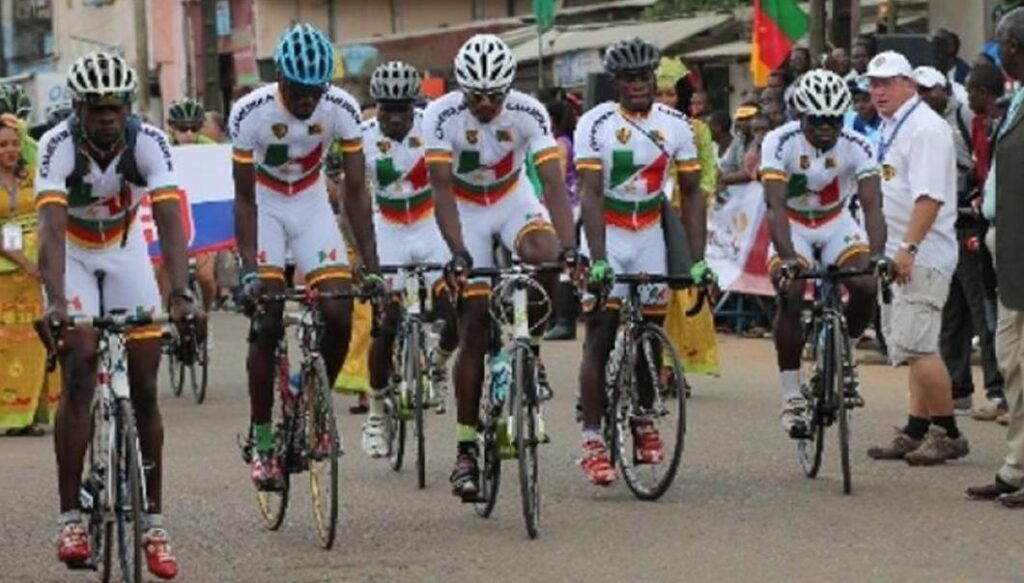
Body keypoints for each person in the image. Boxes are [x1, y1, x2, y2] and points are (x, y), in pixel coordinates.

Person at [37, 52, 202, 579]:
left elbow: (171, 218)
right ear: (78, 108)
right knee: (81, 362)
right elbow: (51, 233)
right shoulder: (56, 145)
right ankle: (70, 518)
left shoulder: (148, 141)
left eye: (116, 108)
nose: (108, 117)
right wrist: (58, 302)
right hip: (76, 256)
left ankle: (154, 521)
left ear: (128, 108)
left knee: (147, 380)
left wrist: (181, 291)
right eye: (97, 108)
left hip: (126, 250)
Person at [423, 33, 576, 498]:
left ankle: (530, 347)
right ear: (462, 89)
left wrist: (570, 248)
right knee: (472, 321)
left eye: (495, 95)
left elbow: (552, 183)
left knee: (547, 258)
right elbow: (442, 190)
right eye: (477, 96)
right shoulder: (440, 114)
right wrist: (458, 252)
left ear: (508, 88)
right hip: (464, 209)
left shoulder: (529, 111)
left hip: (511, 198)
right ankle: (466, 451)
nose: (486, 104)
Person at [230, 24, 381, 490]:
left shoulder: (341, 108)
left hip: (313, 202)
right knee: (269, 320)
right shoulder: (249, 112)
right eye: (298, 91)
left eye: (315, 92)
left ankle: (312, 399)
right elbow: (244, 201)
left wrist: (372, 267)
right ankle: (261, 438)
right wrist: (250, 270)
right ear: (282, 80)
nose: (306, 102)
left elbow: (355, 191)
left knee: (339, 311)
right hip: (267, 205)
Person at [574, 37, 713, 485]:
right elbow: (592, 194)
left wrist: (695, 260)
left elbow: (692, 194)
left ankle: (643, 420)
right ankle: (593, 439)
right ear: (616, 82)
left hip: (650, 229)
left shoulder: (677, 125)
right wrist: (597, 259)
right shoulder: (593, 124)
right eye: (630, 78)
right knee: (602, 332)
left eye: (645, 77)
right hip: (609, 232)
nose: (639, 85)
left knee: (650, 338)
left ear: (655, 78)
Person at [760, 70, 886, 437]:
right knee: (793, 292)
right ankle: (791, 395)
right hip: (794, 225)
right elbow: (774, 206)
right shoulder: (778, 142)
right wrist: (786, 259)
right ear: (800, 115)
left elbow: (872, 205)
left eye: (833, 119)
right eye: (817, 120)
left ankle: (843, 353)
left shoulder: (858, 143)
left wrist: (877, 254)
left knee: (864, 285)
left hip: (835, 223)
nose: (826, 128)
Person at [863, 51, 969, 465]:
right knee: (909, 343)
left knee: (920, 345)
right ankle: (917, 426)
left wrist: (908, 247)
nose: (879, 91)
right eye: (873, 83)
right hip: (898, 252)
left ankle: (949, 431)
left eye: (888, 82)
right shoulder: (893, 125)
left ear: (909, 83)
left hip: (920, 253)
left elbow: (929, 196)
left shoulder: (924, 128)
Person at [359, 61, 458, 457]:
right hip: (388, 227)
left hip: (429, 222)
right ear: (376, 107)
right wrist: (363, 259)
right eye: (388, 109)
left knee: (455, 304)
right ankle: (377, 413)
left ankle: (438, 361)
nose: (396, 118)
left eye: (403, 109)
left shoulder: (432, 128)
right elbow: (352, 200)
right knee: (386, 322)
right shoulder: (362, 136)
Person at [915, 65, 1008, 417]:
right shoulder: (922, 125)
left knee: (979, 308)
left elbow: (981, 170)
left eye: (929, 91)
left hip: (970, 224)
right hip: (942, 228)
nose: (924, 98)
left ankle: (997, 390)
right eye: (918, 92)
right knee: (950, 310)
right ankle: (957, 387)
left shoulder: (970, 117)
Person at [966, 7, 1024, 507]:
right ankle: (1016, 467)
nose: (998, 52)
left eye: (1002, 43)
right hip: (1005, 245)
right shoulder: (1018, 96)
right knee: (1012, 364)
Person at [0, 114, 58, 436]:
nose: (10, 150)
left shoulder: (33, 177)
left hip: (39, 270)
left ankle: (35, 413)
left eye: (14, 144)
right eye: (2, 145)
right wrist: (23, 261)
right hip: (6, 275)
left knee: (40, 340)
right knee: (7, 345)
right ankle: (9, 416)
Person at [543, 96, 581, 341]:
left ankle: (564, 321)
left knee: (559, 265)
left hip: (564, 207)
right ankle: (558, 319)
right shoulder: (566, 140)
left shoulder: (559, 144)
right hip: (569, 206)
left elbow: (555, 179)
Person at [844, 77, 882, 148]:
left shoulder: (886, 127)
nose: (860, 106)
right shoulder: (851, 122)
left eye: (866, 100)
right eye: (856, 101)